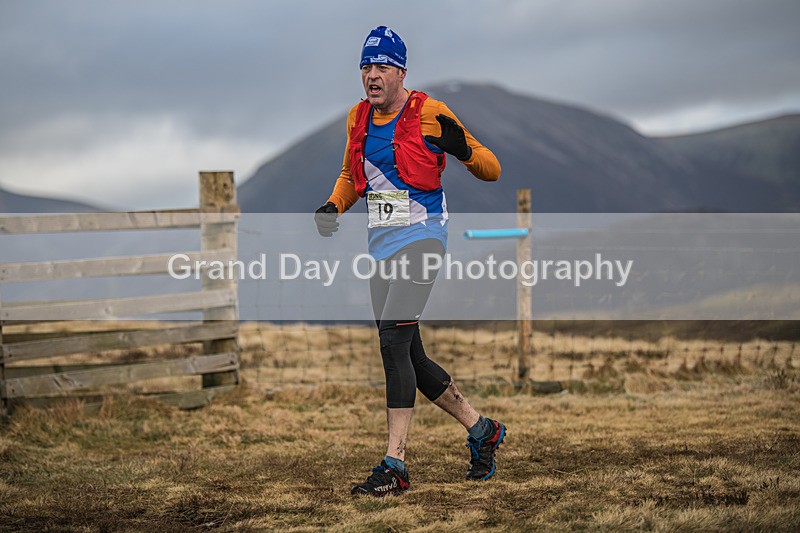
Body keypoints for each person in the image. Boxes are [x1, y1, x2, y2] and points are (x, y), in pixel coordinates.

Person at [314, 25, 505, 497]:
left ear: (400, 72)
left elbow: (491, 168)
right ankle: (483, 431)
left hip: (422, 239)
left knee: (393, 347)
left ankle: (394, 465)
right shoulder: (357, 119)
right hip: (382, 246)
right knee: (411, 356)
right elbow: (350, 176)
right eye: (365, 67)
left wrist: (460, 149)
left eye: (381, 67)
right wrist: (333, 207)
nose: (371, 76)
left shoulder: (429, 113)